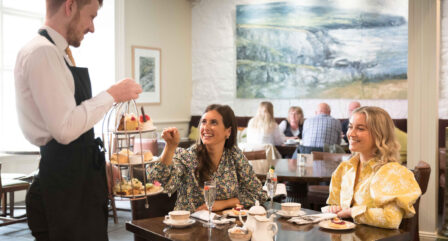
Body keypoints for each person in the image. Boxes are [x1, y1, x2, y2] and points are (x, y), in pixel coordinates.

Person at [14, 0, 142, 240]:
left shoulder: (57, 54)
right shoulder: (43, 52)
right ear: (70, 6)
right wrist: (113, 94)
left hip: (75, 183)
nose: (92, 27)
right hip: (64, 192)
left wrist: (95, 165)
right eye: (91, 17)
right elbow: (64, 129)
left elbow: (69, 125)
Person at [147, 104, 267, 212]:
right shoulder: (188, 156)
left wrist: (223, 204)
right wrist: (170, 147)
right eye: (204, 122)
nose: (206, 127)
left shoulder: (234, 156)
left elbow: (258, 194)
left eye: (213, 122)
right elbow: (158, 181)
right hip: (189, 229)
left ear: (228, 131)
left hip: (224, 229)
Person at [325, 106, 421, 229]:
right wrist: (334, 208)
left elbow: (391, 218)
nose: (351, 134)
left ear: (379, 135)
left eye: (360, 128)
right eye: (350, 127)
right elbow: (335, 205)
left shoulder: (392, 172)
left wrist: (351, 212)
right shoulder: (344, 168)